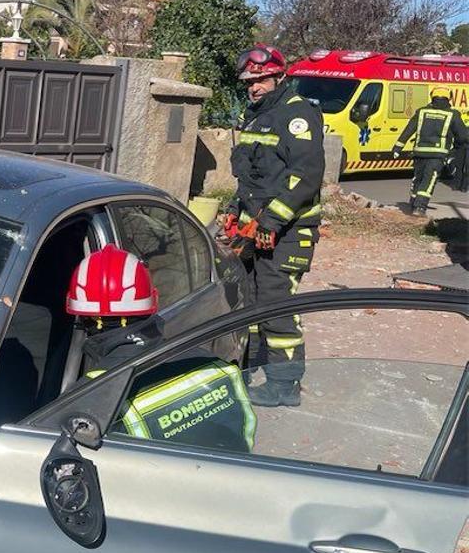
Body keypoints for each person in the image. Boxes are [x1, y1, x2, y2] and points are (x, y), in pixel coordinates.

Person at [67, 244, 257, 453]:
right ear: (152, 302)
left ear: (82, 317)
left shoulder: (86, 397)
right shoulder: (214, 365)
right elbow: (244, 437)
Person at [221, 44, 324, 408]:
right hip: (255, 229)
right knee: (250, 303)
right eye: (250, 82)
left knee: (276, 304)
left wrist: (273, 220)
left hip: (288, 232)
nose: (254, 87)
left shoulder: (297, 114)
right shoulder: (255, 117)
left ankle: (284, 385)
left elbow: (306, 175)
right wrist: (234, 209)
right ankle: (250, 370)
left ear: (280, 77)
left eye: (262, 79)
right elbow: (252, 179)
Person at [391, 86, 469, 216]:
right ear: (448, 98)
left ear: (432, 97)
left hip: (419, 152)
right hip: (437, 155)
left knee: (418, 178)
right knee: (429, 180)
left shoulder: (422, 112)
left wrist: (398, 147)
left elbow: (409, 129)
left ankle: (413, 202)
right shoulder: (452, 114)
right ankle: (419, 208)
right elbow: (463, 136)